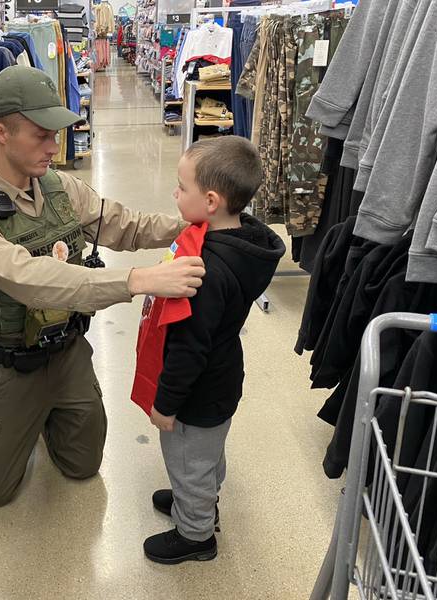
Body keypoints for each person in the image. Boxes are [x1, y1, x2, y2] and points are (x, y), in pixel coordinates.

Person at [0, 65, 206, 508]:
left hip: (68, 353)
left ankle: (49, 417)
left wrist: (193, 227)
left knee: (83, 465)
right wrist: (137, 279)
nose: (54, 145)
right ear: (0, 131)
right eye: (41, 135)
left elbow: (124, 225)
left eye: (56, 133)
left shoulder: (61, 187)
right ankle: (23, 418)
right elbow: (31, 280)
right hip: (10, 367)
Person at [142, 137, 285, 564]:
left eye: (180, 187)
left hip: (197, 392)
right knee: (207, 452)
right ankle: (199, 497)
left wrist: (165, 404)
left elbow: (189, 349)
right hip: (223, 380)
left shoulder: (205, 271)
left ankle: (195, 534)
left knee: (188, 459)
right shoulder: (243, 241)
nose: (174, 194)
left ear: (210, 200)